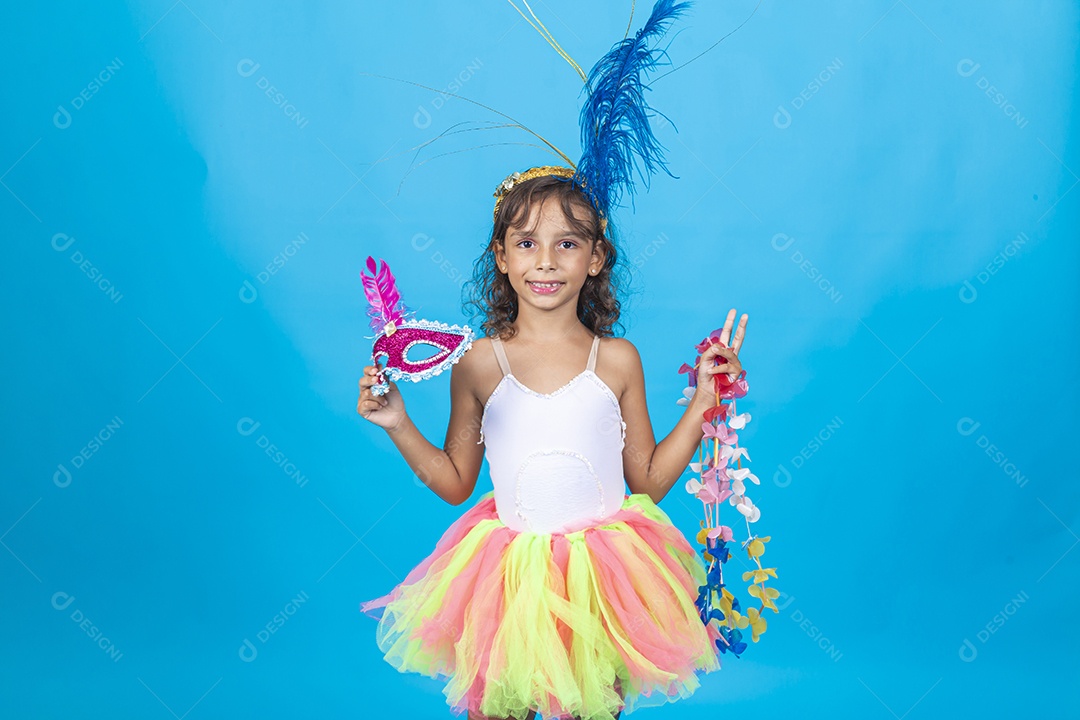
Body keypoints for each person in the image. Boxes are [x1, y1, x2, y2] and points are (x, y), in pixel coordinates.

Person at [356, 165, 749, 720]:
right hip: (509, 579)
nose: (545, 261)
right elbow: (455, 483)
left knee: (593, 703)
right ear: (501, 256)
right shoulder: (477, 363)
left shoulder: (617, 360)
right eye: (526, 243)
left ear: (596, 258)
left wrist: (704, 398)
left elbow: (649, 481)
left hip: (603, 578)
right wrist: (398, 422)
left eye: (566, 243)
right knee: (502, 705)